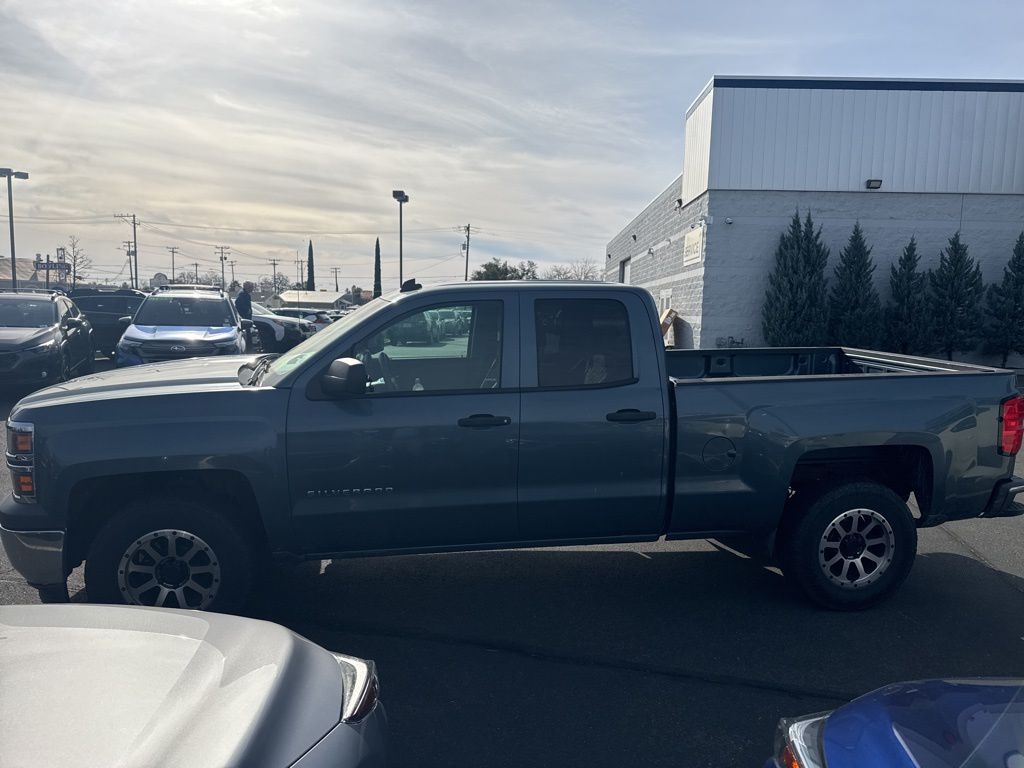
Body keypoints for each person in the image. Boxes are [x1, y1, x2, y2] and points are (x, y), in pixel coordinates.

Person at [236, 281, 254, 350]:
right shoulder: (243, 294)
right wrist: (247, 310)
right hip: (244, 319)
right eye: (251, 287)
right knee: (246, 336)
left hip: (247, 319)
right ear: (246, 287)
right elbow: (238, 304)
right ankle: (248, 350)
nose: (252, 288)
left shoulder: (245, 294)